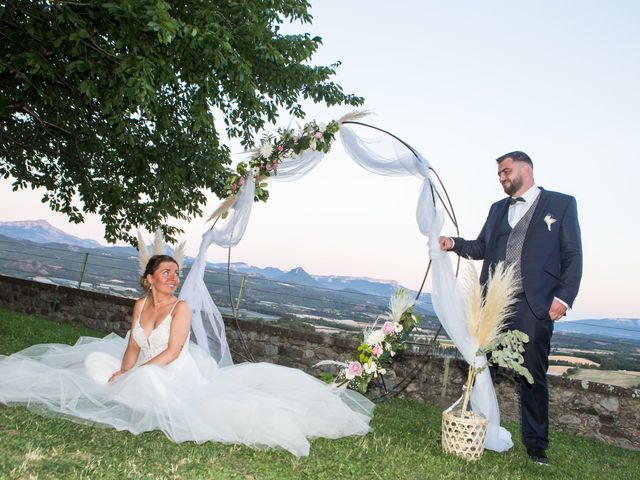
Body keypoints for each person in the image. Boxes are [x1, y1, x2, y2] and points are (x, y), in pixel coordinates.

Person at [0, 254, 373, 456]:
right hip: (146, 362)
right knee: (96, 363)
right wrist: (122, 370)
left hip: (175, 369)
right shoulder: (138, 304)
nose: (173, 277)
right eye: (166, 272)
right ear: (148, 278)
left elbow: (174, 350)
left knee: (145, 378)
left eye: (176, 272)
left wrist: (133, 375)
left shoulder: (182, 308)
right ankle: (124, 385)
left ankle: (135, 389)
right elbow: (132, 344)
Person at [439, 151, 582, 465]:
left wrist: (564, 297)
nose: (502, 178)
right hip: (492, 304)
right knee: (481, 367)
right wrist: (453, 242)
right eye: (499, 174)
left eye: (506, 172)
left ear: (525, 169)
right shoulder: (496, 209)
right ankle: (476, 429)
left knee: (532, 375)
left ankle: (536, 446)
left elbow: (572, 255)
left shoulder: (561, 205)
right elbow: (480, 247)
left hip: (535, 305)